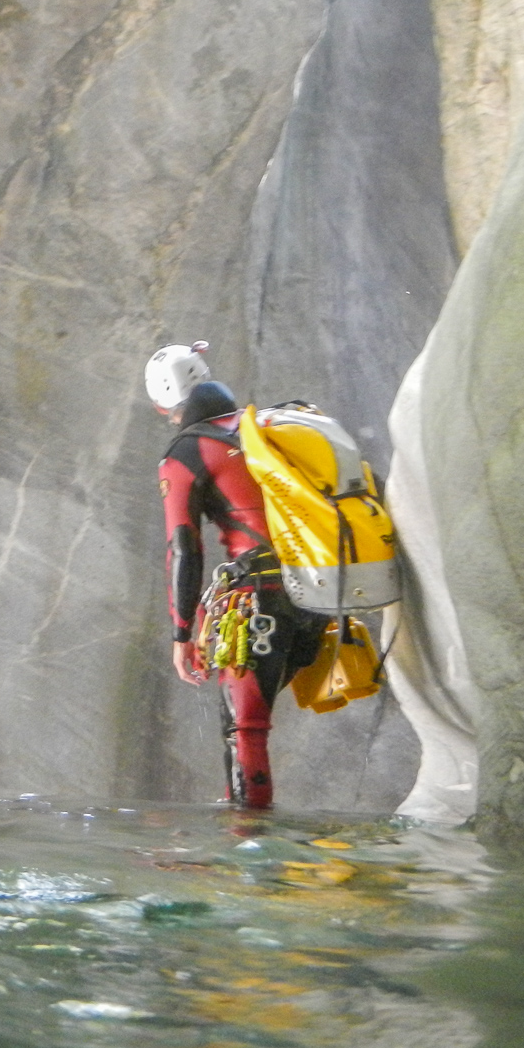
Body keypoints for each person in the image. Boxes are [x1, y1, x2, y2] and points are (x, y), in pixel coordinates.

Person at [145, 343, 327, 808]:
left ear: (163, 406)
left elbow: (183, 547)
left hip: (258, 598)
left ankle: (249, 854)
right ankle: (247, 828)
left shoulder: (186, 452)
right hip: (319, 595)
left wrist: (182, 632)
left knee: (244, 728)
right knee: (248, 723)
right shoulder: (270, 426)